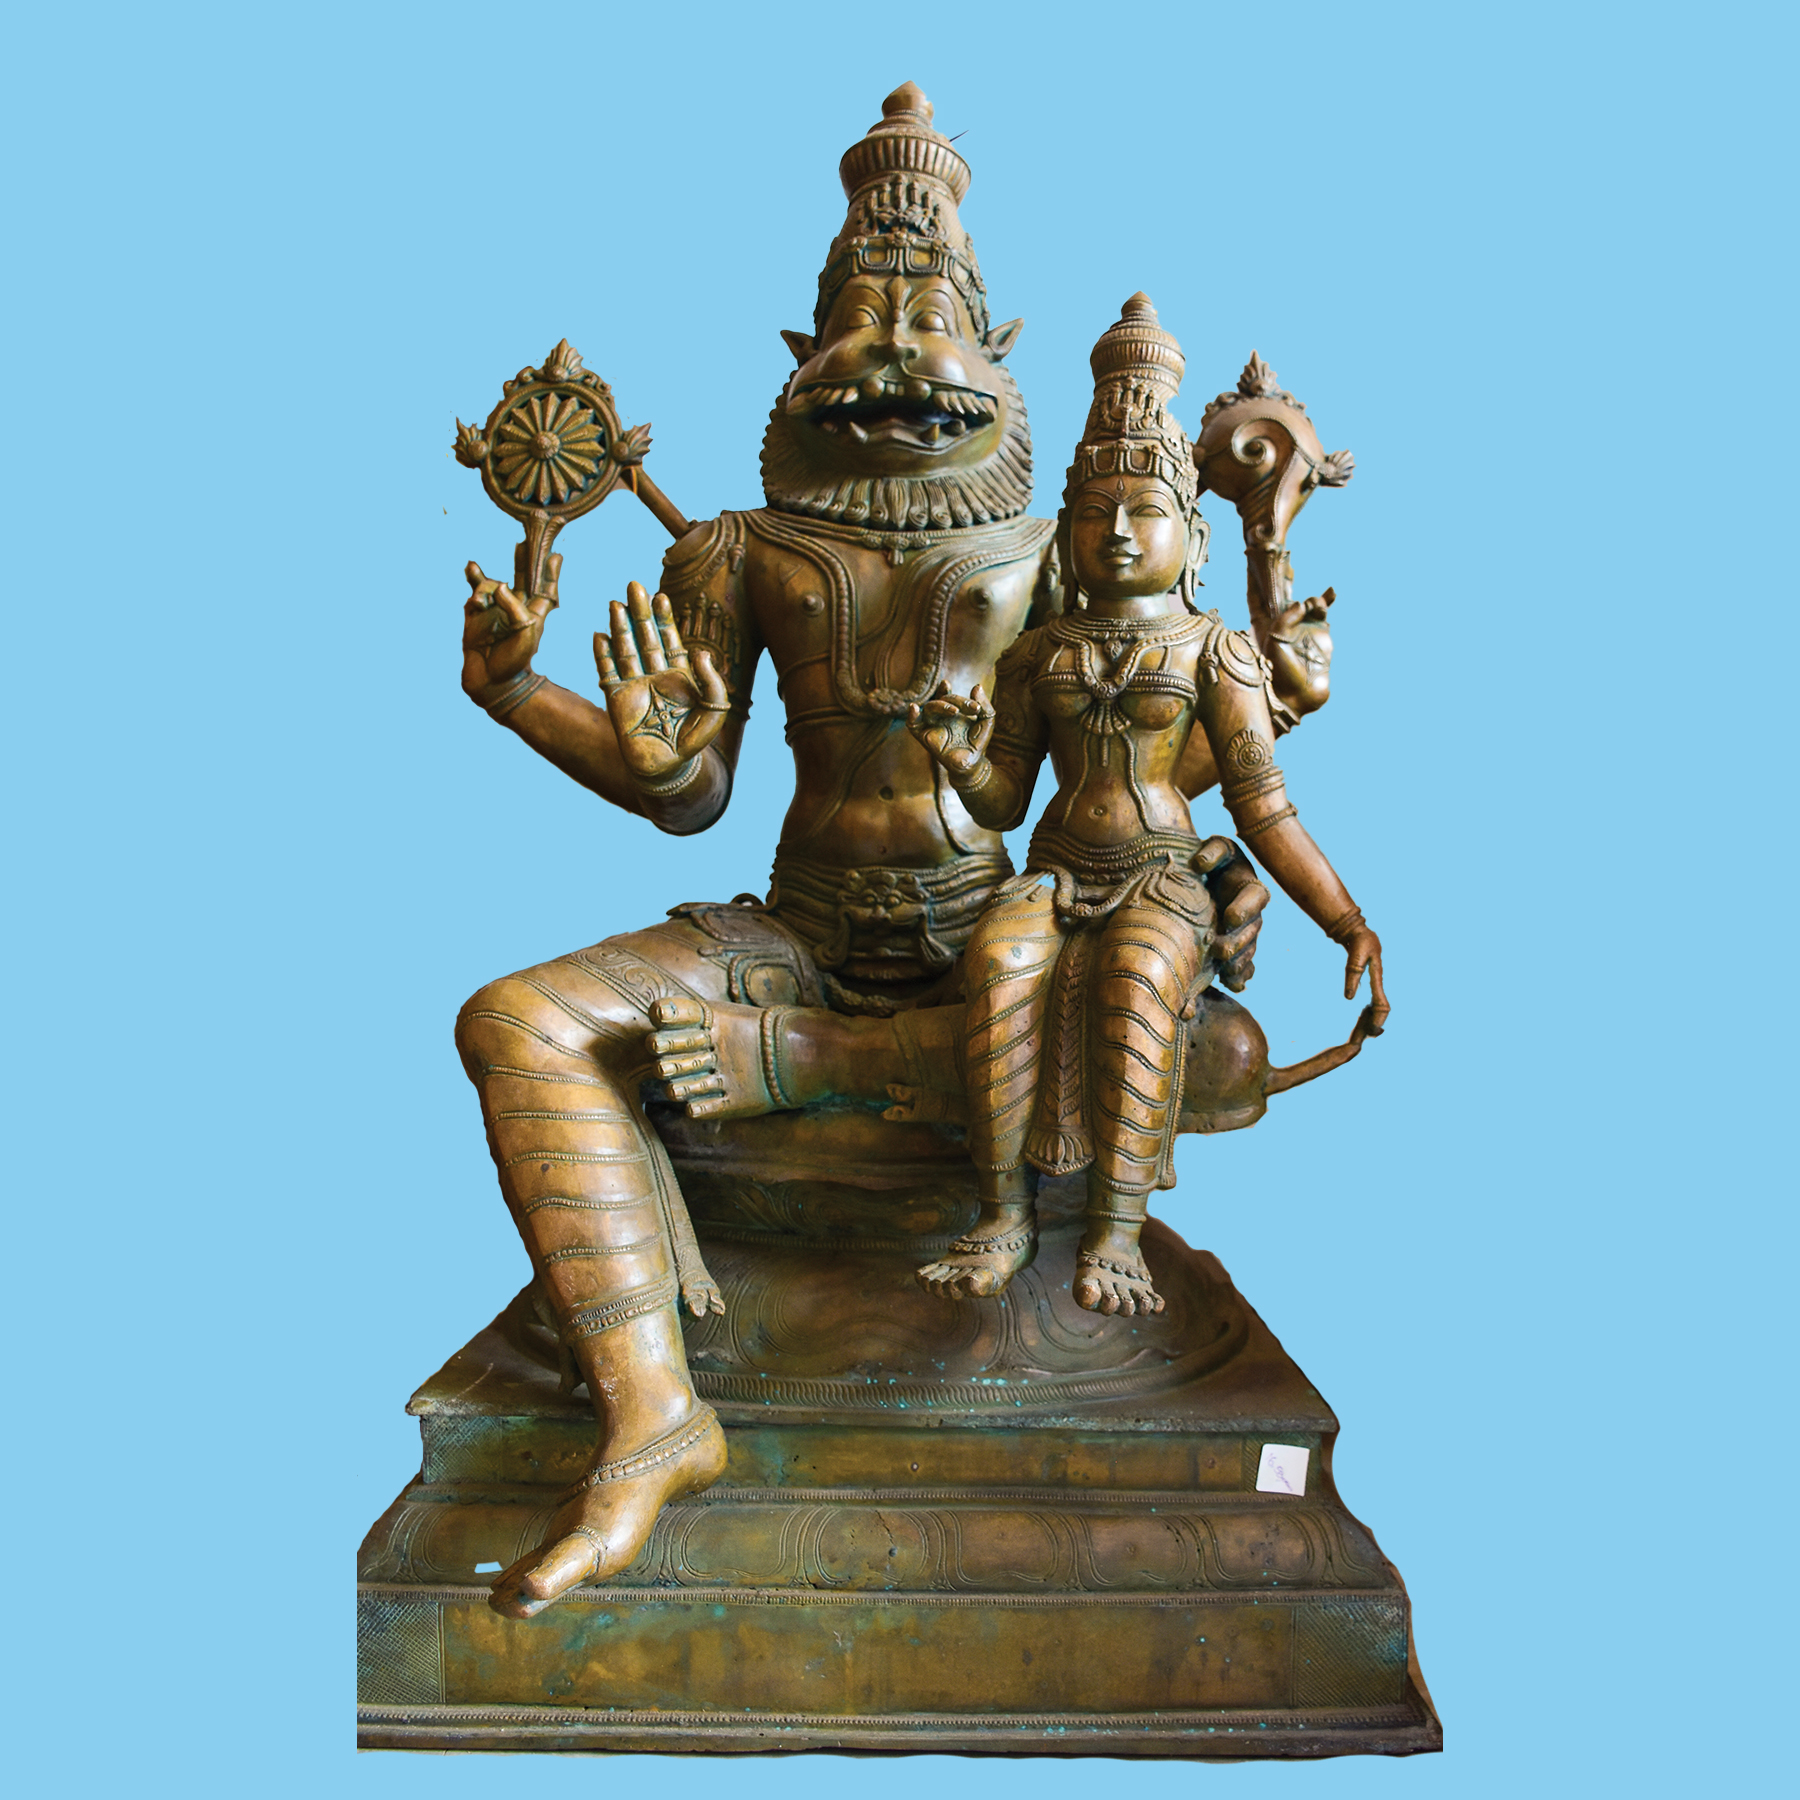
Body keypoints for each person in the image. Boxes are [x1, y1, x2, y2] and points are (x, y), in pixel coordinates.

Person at [901, 296, 1387, 1316]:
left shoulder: (1216, 653)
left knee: (1137, 976)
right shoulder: (1041, 652)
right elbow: (1004, 799)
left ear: (1191, 535)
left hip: (1161, 874)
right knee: (998, 963)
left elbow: (1264, 811)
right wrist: (958, 757)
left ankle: (1116, 1231)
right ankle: (1003, 1213)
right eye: (1094, 513)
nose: (1117, 532)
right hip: (1055, 868)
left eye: (1144, 512)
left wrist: (1345, 919)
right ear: (1066, 530)